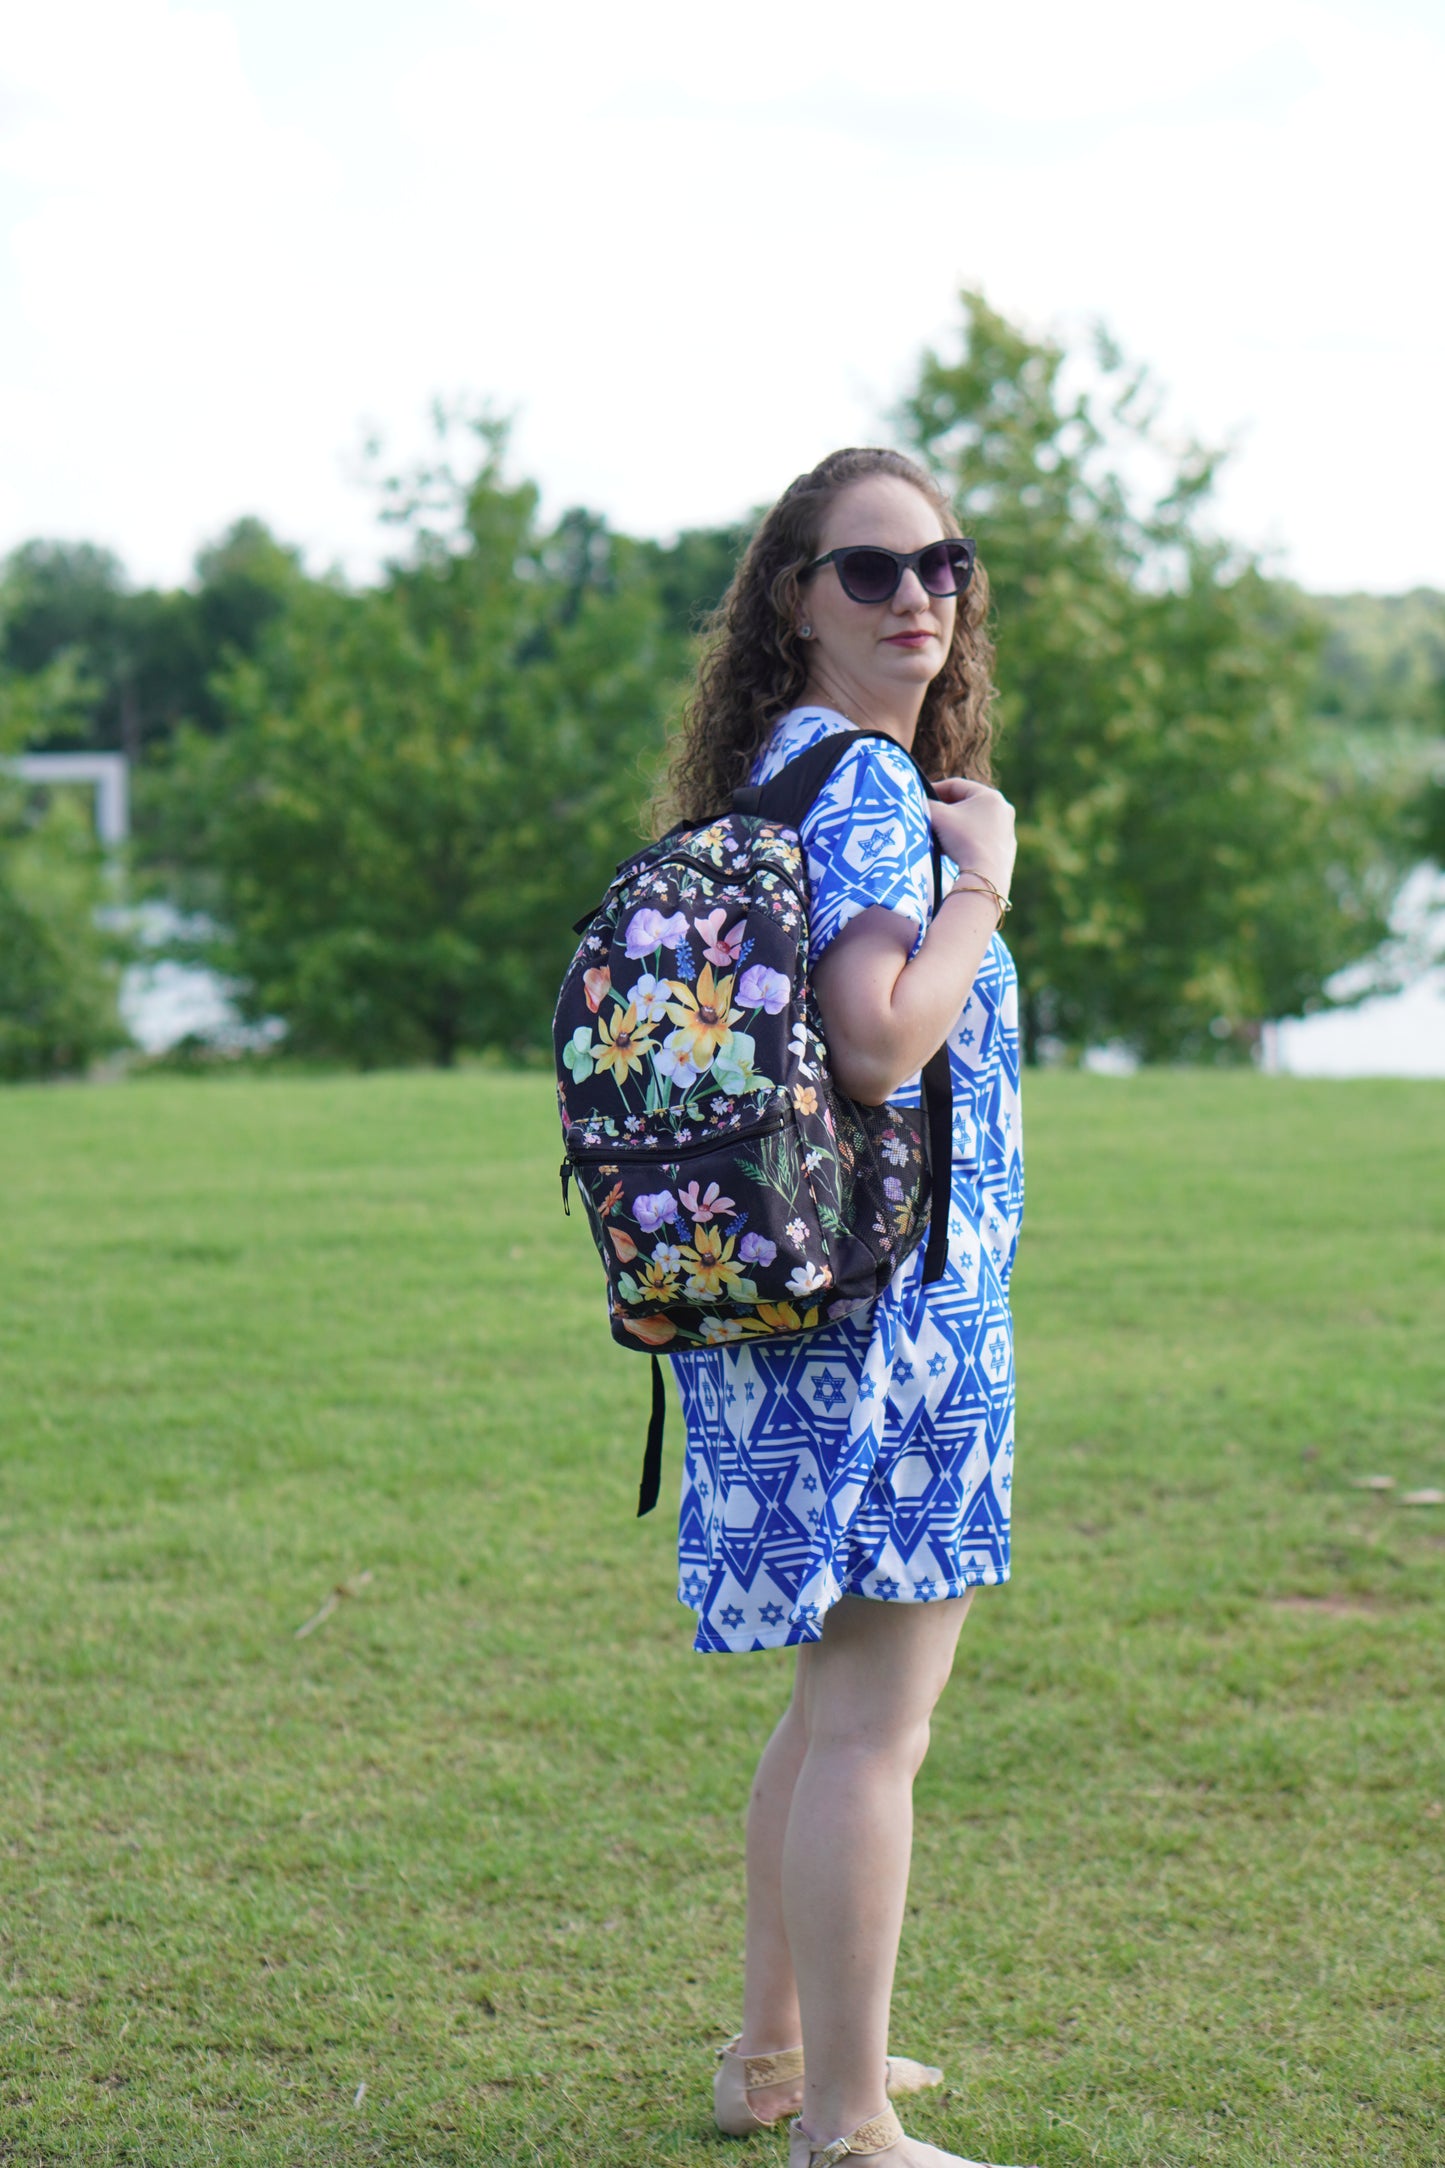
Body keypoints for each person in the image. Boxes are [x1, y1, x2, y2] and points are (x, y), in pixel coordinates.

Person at [662, 448, 1025, 2168]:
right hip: (894, 1320)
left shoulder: (776, 768)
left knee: (830, 1711)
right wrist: (982, 887)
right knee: (878, 1723)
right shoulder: (873, 792)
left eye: (941, 564)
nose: (918, 599)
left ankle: (771, 2059)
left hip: (803, 1295)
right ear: (792, 597)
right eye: (867, 572)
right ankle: (852, 2130)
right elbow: (883, 1036)